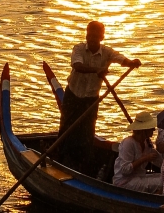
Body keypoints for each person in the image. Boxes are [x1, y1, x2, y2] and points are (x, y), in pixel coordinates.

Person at [57, 20, 140, 171]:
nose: (93, 37)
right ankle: (60, 160)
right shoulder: (79, 49)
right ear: (86, 35)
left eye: (96, 35)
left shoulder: (107, 52)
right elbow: (77, 66)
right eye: (90, 34)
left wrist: (131, 62)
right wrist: (96, 70)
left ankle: (83, 164)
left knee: (87, 131)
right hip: (73, 95)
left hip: (91, 98)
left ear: (102, 37)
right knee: (67, 128)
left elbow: (120, 59)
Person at [113, 111, 163, 193]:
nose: (154, 129)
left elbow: (159, 161)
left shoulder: (146, 143)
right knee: (162, 183)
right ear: (144, 130)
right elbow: (125, 170)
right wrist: (144, 159)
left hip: (139, 177)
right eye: (151, 128)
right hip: (125, 182)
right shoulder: (128, 143)